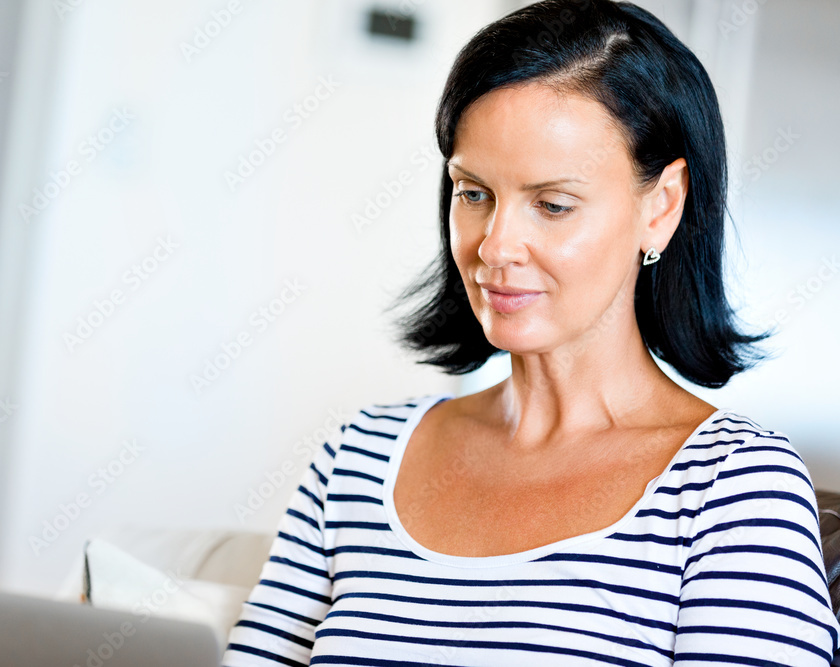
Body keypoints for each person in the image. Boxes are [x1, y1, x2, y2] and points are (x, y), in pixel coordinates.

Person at [222, 0, 840, 664]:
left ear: (660, 207)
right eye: (474, 192)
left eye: (552, 204)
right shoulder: (358, 458)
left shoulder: (734, 490)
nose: (496, 246)